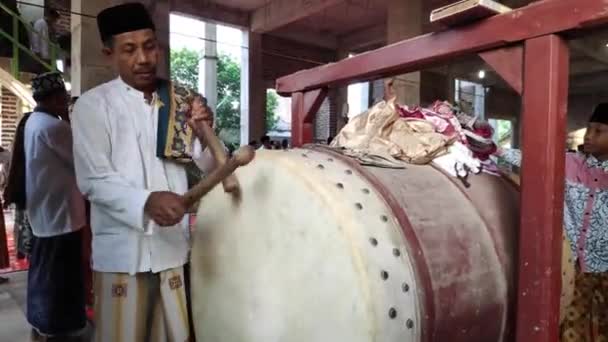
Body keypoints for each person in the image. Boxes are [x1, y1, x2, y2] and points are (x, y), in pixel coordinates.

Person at [71, 3, 219, 341]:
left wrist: (204, 133)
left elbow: (205, 167)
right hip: (122, 255)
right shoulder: (93, 106)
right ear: (110, 54)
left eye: (149, 46)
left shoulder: (179, 102)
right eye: (129, 49)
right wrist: (146, 200)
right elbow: (93, 180)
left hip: (171, 251)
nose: (143, 58)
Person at [498, 103, 608, 341]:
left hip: (605, 270)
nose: (589, 135)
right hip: (577, 271)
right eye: (589, 128)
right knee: (571, 329)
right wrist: (494, 150)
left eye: (599, 131)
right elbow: (531, 160)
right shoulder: (569, 164)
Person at [23, 72, 87, 340]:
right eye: (61, 98)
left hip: (46, 211)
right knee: (60, 275)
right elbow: (82, 161)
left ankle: (41, 320)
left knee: (44, 271)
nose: (64, 102)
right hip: (61, 215)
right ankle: (58, 326)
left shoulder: (35, 121)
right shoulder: (55, 127)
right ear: (50, 99)